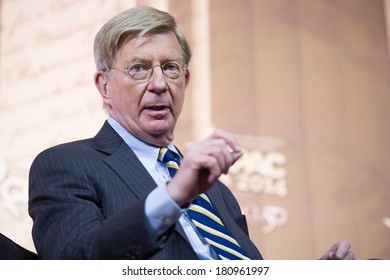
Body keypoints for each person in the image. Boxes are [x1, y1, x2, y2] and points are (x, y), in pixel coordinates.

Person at [28, 6, 355, 260]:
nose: (159, 85)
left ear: (184, 81)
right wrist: (173, 196)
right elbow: (71, 264)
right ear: (104, 86)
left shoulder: (217, 193)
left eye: (170, 68)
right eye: (138, 68)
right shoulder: (66, 164)